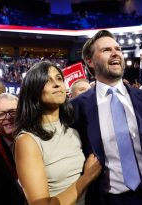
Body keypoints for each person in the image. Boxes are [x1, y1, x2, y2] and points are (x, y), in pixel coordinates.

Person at [71, 30, 142, 205]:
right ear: (90, 61)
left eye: (118, 49)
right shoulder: (77, 107)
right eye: (106, 50)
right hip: (106, 200)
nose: (115, 53)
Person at [14, 61, 101, 205]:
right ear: (33, 90)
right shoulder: (27, 140)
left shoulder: (73, 131)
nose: (57, 84)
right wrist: (87, 177)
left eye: (59, 78)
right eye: (47, 81)